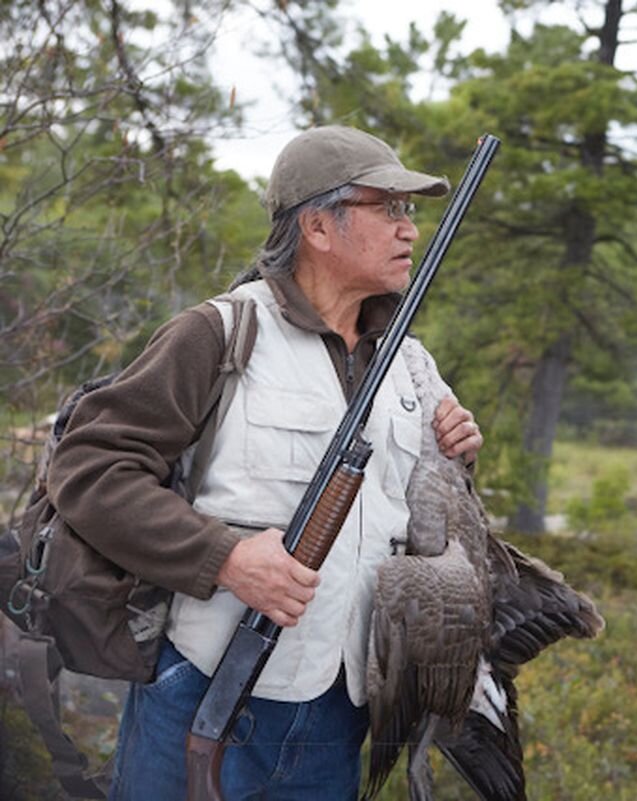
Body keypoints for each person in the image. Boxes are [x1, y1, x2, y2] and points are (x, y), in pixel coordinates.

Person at [47, 125, 484, 799]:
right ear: (318, 226)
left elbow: (406, 517)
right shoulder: (220, 332)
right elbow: (89, 468)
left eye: (411, 212)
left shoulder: (409, 364)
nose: (408, 230)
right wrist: (223, 556)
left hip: (340, 713)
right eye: (388, 208)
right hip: (201, 687)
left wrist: (454, 454)